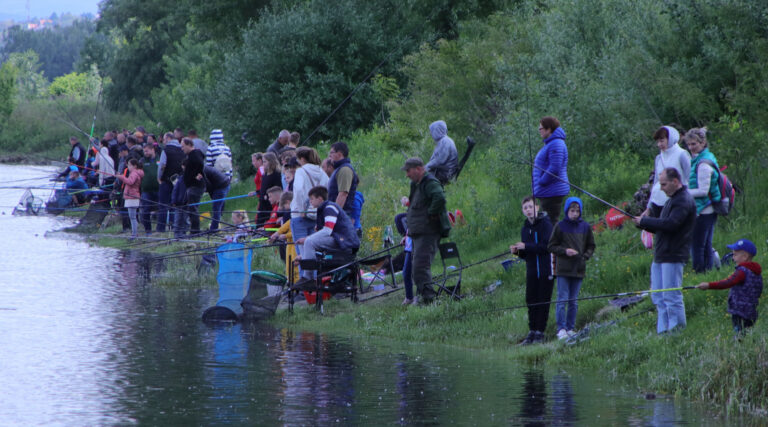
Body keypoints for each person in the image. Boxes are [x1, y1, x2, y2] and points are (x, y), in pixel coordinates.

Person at [634, 167, 697, 334]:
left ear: (675, 182)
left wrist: (646, 220)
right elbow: (663, 227)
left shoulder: (683, 200)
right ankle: (663, 331)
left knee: (671, 296)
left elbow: (671, 225)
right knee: (658, 297)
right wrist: (643, 223)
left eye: (664, 184)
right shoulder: (671, 200)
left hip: (674, 255)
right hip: (661, 254)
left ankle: (676, 331)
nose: (661, 188)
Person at [402, 157, 450, 304]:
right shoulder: (416, 185)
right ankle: (424, 298)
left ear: (418, 169)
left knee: (420, 268)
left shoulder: (429, 182)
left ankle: (429, 300)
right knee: (416, 269)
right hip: (417, 233)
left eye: (408, 171)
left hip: (427, 233)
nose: (407, 174)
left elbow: (440, 198)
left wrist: (430, 214)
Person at [548, 196, 595, 340]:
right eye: (572, 210)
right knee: (562, 299)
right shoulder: (560, 226)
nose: (575, 213)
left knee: (573, 300)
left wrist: (585, 256)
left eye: (577, 211)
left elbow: (591, 246)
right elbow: (551, 246)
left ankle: (570, 327)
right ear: (566, 210)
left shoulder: (585, 227)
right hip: (563, 269)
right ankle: (560, 329)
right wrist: (565, 251)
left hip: (579, 268)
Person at [696, 239, 763, 338]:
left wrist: (709, 285)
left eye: (735, 255)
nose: (732, 258)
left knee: (739, 335)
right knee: (747, 334)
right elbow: (759, 290)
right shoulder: (756, 273)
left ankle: (739, 349)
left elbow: (728, 282)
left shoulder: (742, 271)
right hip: (751, 311)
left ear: (745, 257)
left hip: (740, 311)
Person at [510, 196, 554, 344]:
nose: (528, 210)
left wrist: (526, 246)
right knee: (531, 300)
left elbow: (546, 246)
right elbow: (525, 255)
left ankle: (540, 332)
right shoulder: (525, 229)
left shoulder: (546, 225)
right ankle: (532, 331)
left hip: (546, 269)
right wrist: (516, 252)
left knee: (543, 300)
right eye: (525, 208)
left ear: (537, 207)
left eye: (530, 207)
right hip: (531, 270)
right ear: (523, 211)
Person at [294, 186, 360, 283]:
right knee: (308, 241)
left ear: (320, 199)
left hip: (345, 241)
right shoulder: (323, 210)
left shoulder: (330, 208)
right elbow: (321, 234)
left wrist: (308, 238)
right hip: (338, 239)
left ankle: (308, 278)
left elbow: (327, 230)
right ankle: (307, 273)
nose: (310, 201)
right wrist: (304, 248)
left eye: (312, 198)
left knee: (309, 241)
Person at [685, 127, 721, 273]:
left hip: (704, 209)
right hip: (706, 208)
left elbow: (702, 191)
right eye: (689, 144)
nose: (691, 147)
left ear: (703, 142)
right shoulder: (701, 158)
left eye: (694, 144)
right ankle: (708, 273)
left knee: (697, 245)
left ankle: (699, 273)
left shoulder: (703, 164)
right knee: (705, 244)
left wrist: (683, 192)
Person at [290, 147, 329, 264]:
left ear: (302, 159)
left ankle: (306, 278)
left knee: (302, 252)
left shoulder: (301, 171)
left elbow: (298, 189)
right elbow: (328, 190)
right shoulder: (322, 172)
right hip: (316, 216)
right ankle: (316, 279)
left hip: (300, 216)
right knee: (314, 251)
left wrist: (302, 209)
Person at [643, 126, 691, 217]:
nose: (659, 144)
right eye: (658, 142)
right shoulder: (659, 158)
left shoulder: (682, 155)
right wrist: (648, 207)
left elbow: (690, 179)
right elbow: (656, 182)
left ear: (670, 139)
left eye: (662, 141)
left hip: (675, 202)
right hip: (657, 202)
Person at [533, 116, 569, 223]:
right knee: (550, 222)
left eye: (541, 128)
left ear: (549, 129)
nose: (539, 130)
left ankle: (556, 240)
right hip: (549, 190)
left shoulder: (556, 144)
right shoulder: (551, 143)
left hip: (552, 191)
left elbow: (555, 168)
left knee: (551, 223)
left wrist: (542, 182)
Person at [157, 132, 184, 233]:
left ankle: (161, 228)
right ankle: (173, 226)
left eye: (164, 139)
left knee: (163, 205)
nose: (163, 142)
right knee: (174, 204)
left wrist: (159, 177)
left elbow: (162, 165)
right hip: (178, 181)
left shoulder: (166, 150)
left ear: (168, 138)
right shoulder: (182, 149)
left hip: (166, 180)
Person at [178, 138, 206, 237]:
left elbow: (200, 164)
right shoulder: (191, 155)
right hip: (191, 186)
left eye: (183, 146)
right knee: (191, 208)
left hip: (195, 186)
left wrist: (196, 174)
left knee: (193, 208)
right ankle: (193, 230)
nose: (182, 149)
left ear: (189, 144)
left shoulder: (195, 154)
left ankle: (195, 231)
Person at [270, 191, 299, 283]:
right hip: (289, 244)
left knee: (295, 265)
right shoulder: (293, 215)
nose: (286, 210)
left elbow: (297, 232)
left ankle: (298, 286)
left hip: (296, 244)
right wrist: (277, 233)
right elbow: (289, 223)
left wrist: (285, 236)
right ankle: (291, 285)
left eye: (285, 207)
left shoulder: (297, 212)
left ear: (288, 202)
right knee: (288, 265)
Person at [327, 141, 359, 221]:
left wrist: (333, 215)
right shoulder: (339, 169)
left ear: (339, 154)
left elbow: (343, 194)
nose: (329, 156)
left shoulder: (345, 170)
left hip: (341, 215)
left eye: (331, 153)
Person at [116, 158, 145, 239]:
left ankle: (134, 234)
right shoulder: (134, 173)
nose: (128, 167)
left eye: (129, 165)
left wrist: (121, 177)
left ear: (134, 166)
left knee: (132, 217)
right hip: (132, 197)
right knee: (132, 217)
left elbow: (130, 182)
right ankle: (134, 233)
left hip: (132, 197)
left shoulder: (134, 173)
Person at [425, 120, 458, 185]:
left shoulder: (445, 141)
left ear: (437, 130)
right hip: (443, 171)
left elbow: (440, 160)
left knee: (421, 178)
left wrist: (426, 167)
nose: (431, 134)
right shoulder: (443, 141)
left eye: (432, 131)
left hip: (445, 173)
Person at [255, 152, 282, 227]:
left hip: (270, 204)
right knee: (259, 223)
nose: (263, 164)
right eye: (263, 161)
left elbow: (278, 189)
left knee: (267, 224)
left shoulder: (276, 174)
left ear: (271, 161)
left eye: (265, 161)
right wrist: (257, 192)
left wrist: (268, 195)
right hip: (262, 204)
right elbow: (263, 187)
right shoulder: (265, 174)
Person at [202, 164, 230, 230]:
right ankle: (218, 224)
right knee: (218, 208)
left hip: (221, 186)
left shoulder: (200, 171)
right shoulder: (202, 168)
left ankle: (213, 229)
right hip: (222, 184)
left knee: (216, 208)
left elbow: (208, 186)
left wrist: (201, 190)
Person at [140, 144, 160, 235]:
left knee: (161, 209)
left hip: (158, 188)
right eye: (144, 151)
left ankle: (161, 229)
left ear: (153, 150)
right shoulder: (142, 161)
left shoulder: (160, 159)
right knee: (145, 210)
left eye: (147, 151)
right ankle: (148, 230)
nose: (145, 153)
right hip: (146, 190)